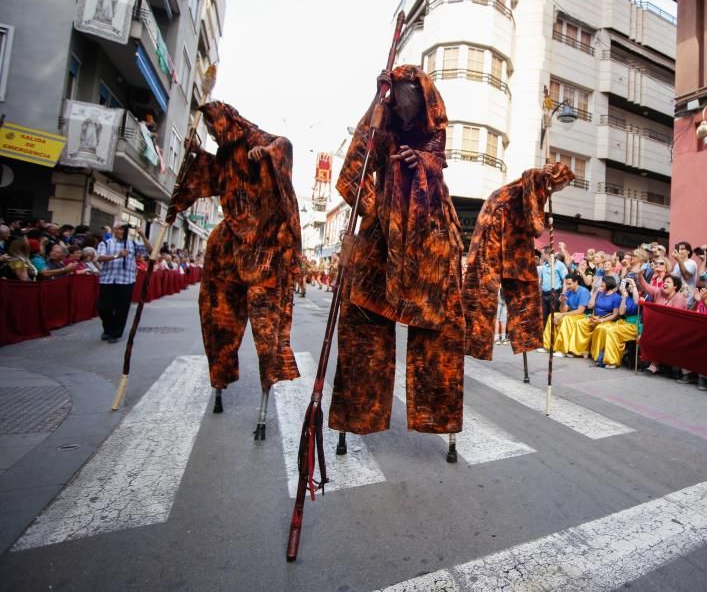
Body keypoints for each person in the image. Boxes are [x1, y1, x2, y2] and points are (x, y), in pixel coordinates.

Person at [330, 65, 464, 437]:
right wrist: (376, 212)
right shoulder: (383, 121)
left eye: (408, 103)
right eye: (397, 102)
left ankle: (438, 416)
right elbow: (354, 169)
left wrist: (421, 163)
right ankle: (358, 414)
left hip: (430, 241)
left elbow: (435, 160)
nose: (402, 110)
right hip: (380, 238)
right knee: (360, 320)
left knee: (442, 328)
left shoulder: (433, 128)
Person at [166, 100, 302, 393]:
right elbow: (216, 179)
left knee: (266, 315)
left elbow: (284, 145)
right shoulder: (225, 153)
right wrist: (196, 155)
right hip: (230, 239)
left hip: (263, 242)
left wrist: (267, 154)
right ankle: (222, 369)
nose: (213, 135)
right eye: (209, 132)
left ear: (225, 121)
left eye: (213, 129)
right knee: (217, 308)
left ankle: (272, 372)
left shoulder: (254, 137)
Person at [463, 163, 574, 360]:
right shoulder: (537, 181)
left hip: (510, 230)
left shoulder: (541, 187)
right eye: (563, 184)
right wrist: (543, 223)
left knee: (521, 285)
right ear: (556, 179)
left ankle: (523, 338)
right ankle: (475, 339)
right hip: (497, 224)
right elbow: (534, 224)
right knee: (485, 283)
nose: (563, 188)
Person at [96, 222, 152, 342]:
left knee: (122, 308)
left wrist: (142, 235)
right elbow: (99, 257)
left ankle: (115, 334)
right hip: (107, 279)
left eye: (124, 229)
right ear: (114, 230)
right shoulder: (105, 243)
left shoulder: (132, 244)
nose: (122, 232)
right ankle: (108, 328)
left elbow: (150, 251)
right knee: (103, 307)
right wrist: (117, 256)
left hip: (126, 280)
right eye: (120, 229)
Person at [591, 277, 640, 369]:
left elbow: (637, 302)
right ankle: (603, 358)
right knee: (608, 329)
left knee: (612, 331)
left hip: (635, 324)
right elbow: (621, 312)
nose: (628, 287)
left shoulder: (639, 296)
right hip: (625, 322)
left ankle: (612, 361)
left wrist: (633, 285)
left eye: (629, 285)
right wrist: (624, 298)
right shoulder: (626, 297)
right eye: (627, 285)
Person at [544, 273, 591, 356]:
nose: (568, 286)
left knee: (566, 319)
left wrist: (563, 315)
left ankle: (563, 350)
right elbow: (563, 310)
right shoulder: (568, 292)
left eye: (569, 284)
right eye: (566, 284)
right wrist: (562, 302)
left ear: (576, 282)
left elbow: (580, 311)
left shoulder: (584, 291)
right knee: (552, 316)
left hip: (583, 315)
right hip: (572, 313)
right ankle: (548, 346)